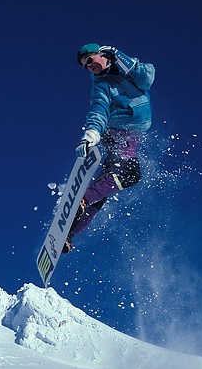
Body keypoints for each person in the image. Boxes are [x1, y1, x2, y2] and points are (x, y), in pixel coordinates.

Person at [63, 43, 155, 253]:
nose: (88, 67)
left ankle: (69, 232)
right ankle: (82, 200)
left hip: (130, 137)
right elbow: (98, 111)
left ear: (102, 54)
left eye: (89, 60)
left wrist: (119, 55)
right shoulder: (101, 85)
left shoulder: (129, 70)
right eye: (85, 66)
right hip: (118, 134)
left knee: (105, 186)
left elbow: (147, 79)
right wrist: (91, 136)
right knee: (129, 174)